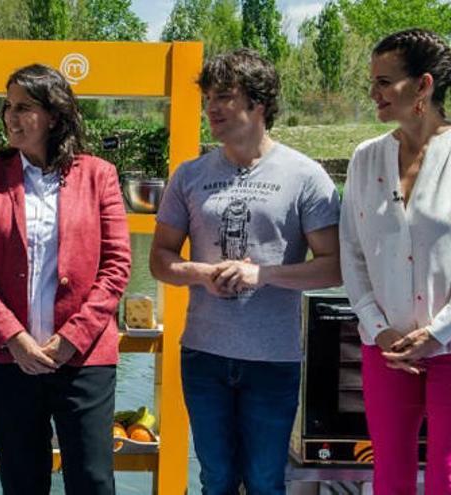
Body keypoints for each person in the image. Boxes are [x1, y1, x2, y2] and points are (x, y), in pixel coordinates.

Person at [149, 49, 341, 494]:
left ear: (258, 103)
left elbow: (333, 268)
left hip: (274, 358)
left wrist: (264, 275)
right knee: (215, 479)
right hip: (203, 354)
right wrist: (199, 272)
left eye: (225, 97)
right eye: (209, 98)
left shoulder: (305, 176)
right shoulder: (190, 175)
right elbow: (159, 258)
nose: (211, 108)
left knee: (264, 481)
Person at [0, 64, 131, 494]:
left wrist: (72, 336)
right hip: (7, 361)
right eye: (7, 107)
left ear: (54, 116)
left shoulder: (99, 175)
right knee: (21, 483)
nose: (11, 118)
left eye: (24, 108)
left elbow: (117, 265)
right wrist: (13, 336)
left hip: (82, 358)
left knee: (92, 480)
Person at [339, 28, 451, 495]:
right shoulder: (366, 158)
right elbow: (352, 252)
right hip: (383, 346)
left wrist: (438, 332)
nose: (373, 94)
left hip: (448, 348)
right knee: (389, 476)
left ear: (423, 86)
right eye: (373, 82)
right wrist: (377, 325)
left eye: (385, 82)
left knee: (446, 477)